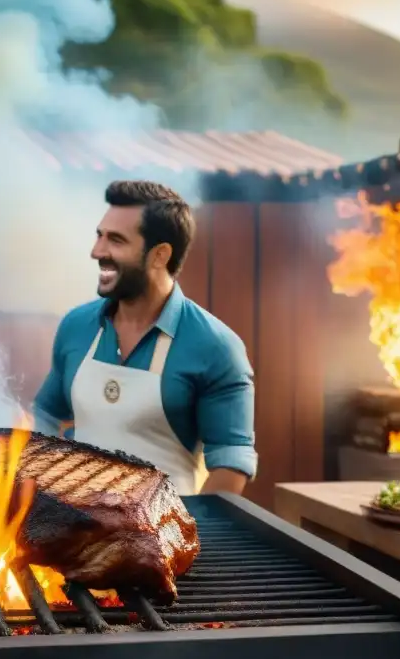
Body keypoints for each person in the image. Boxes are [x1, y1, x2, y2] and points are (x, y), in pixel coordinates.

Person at [33, 180, 256, 495]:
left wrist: (190, 534)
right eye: (99, 235)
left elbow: (231, 464)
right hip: (74, 528)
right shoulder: (77, 326)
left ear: (159, 255)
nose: (97, 251)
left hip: (163, 536)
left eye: (116, 240)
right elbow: (45, 415)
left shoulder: (216, 346)